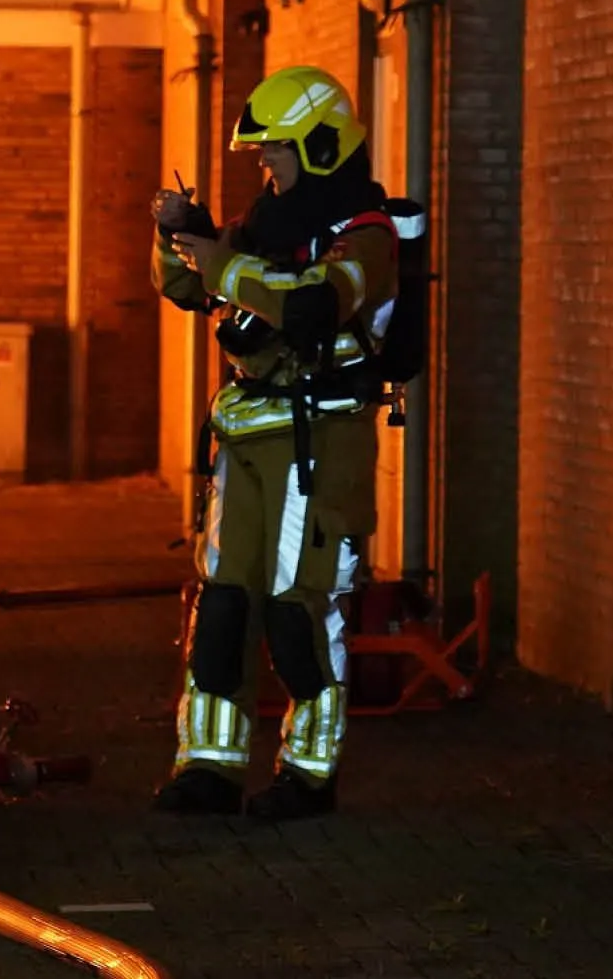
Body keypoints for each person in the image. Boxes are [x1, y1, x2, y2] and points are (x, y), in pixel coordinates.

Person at [149, 65, 397, 822]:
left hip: (319, 443)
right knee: (223, 606)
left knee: (300, 612)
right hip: (247, 442)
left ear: (320, 145)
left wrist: (225, 262)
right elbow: (191, 289)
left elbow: (317, 304)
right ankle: (209, 767)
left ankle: (309, 773)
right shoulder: (261, 228)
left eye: (275, 153)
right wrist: (177, 238)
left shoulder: (368, 235)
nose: (266, 167)